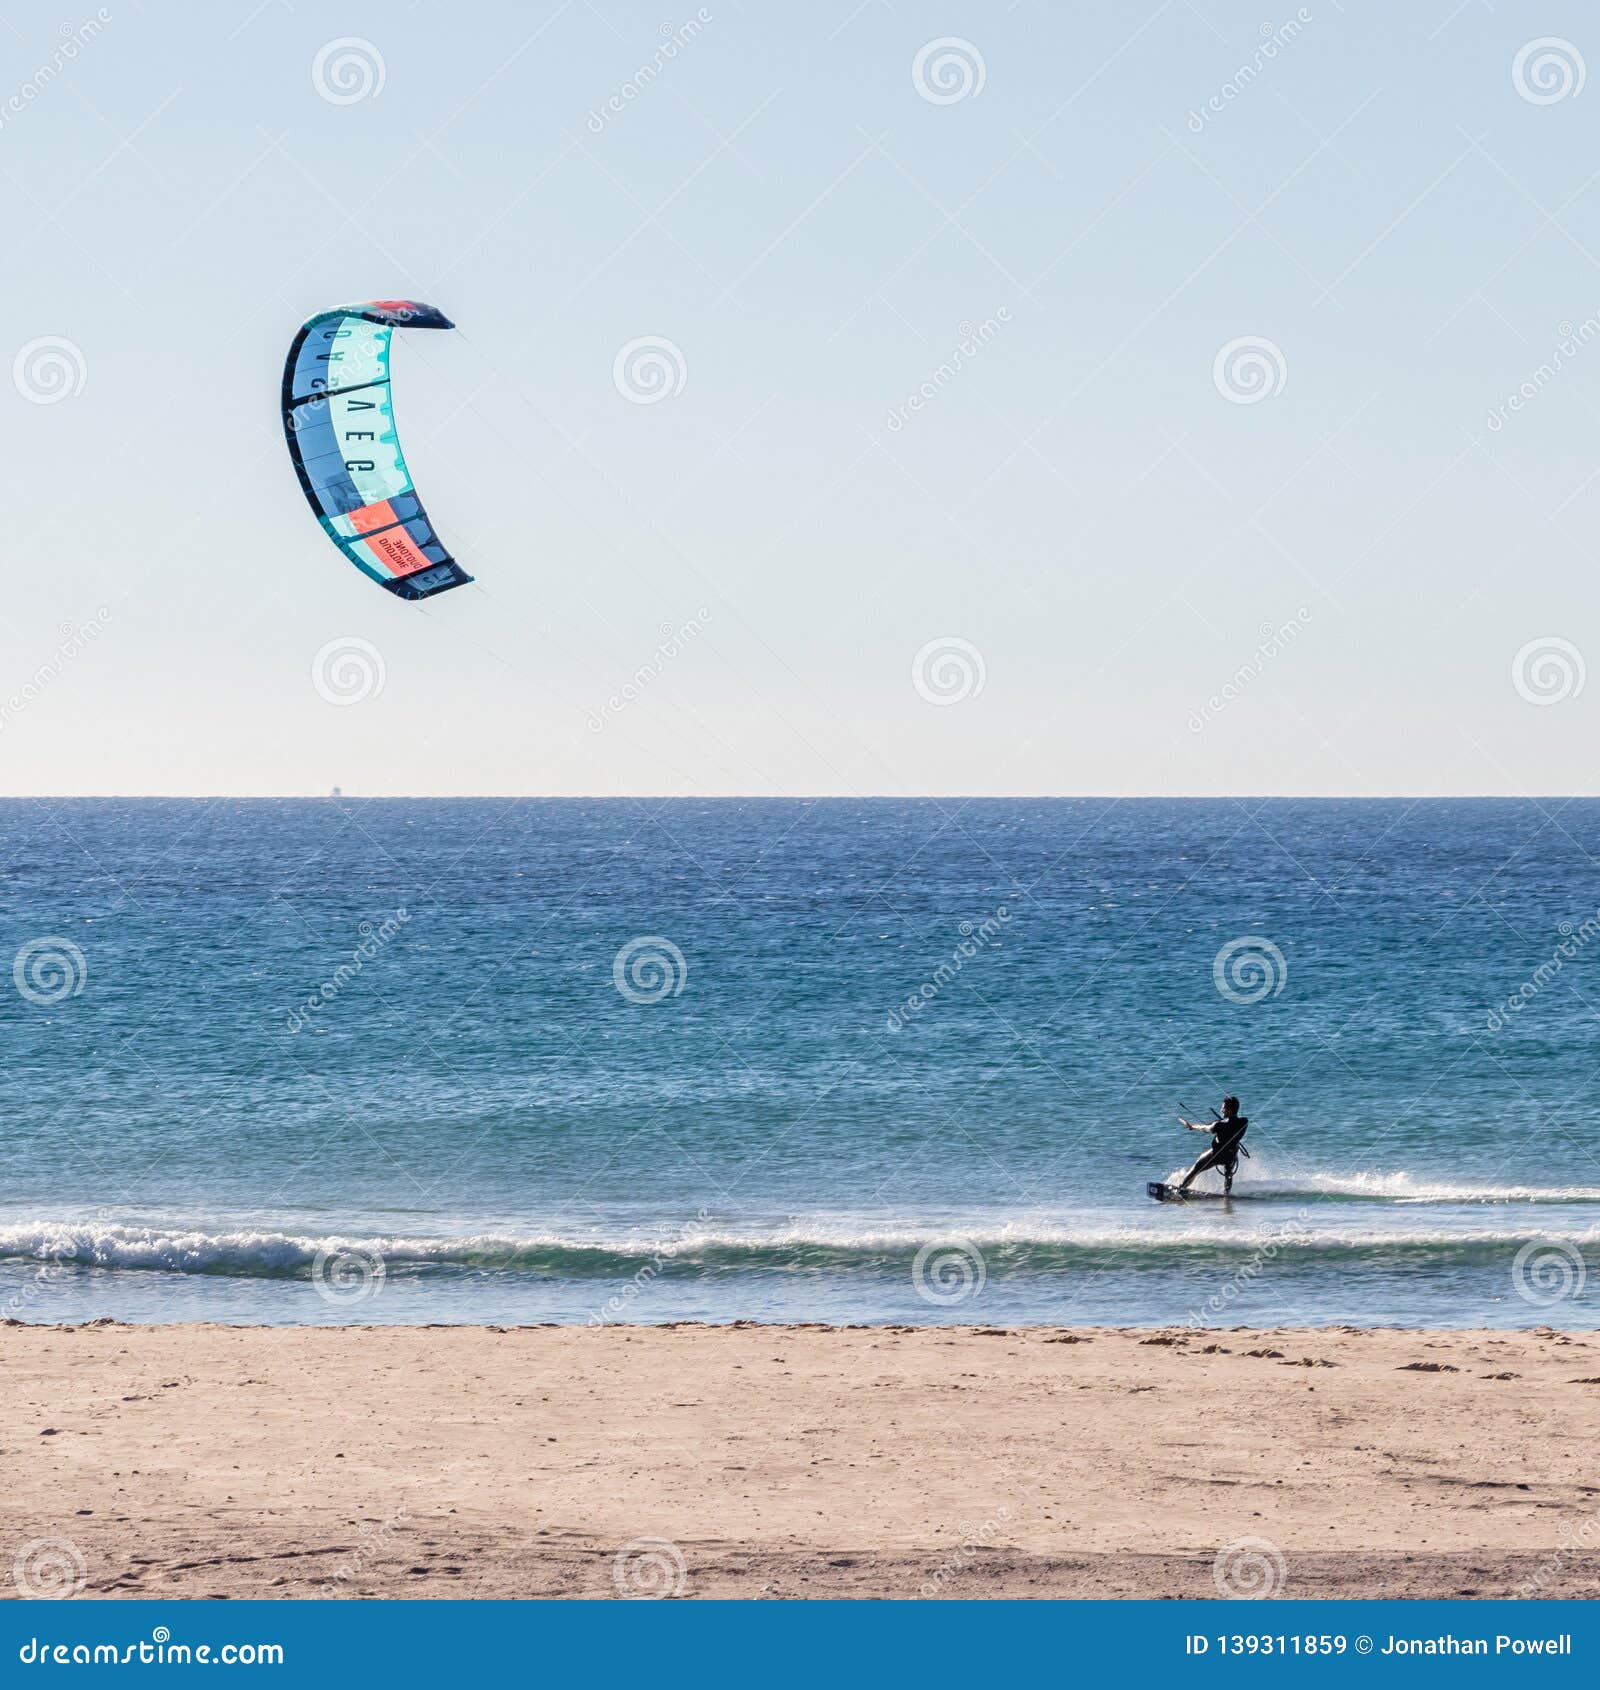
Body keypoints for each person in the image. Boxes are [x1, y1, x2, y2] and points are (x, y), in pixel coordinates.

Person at [1176, 1096, 1249, 1194]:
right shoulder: (1244, 1122)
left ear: (1230, 1110)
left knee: (1196, 1168)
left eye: (1223, 1108)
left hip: (1217, 1155)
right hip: (1231, 1156)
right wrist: (1224, 1121)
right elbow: (1232, 1126)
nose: (1221, 1110)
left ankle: (1181, 1189)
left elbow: (1206, 1128)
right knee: (1228, 1174)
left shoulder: (1218, 1125)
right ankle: (1227, 1194)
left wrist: (1193, 1127)